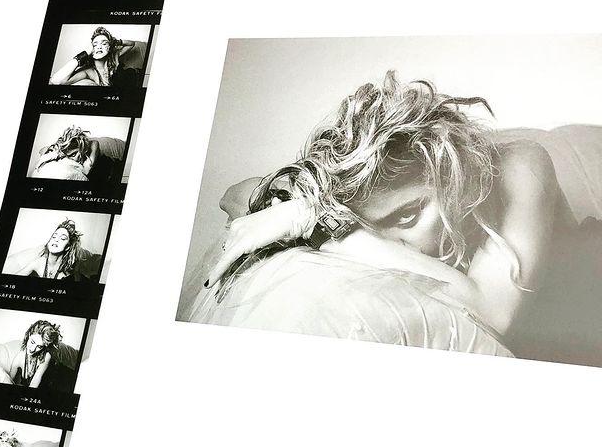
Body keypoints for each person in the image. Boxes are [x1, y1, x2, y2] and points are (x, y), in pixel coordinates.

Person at [188, 70, 602, 364]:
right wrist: (306, 205)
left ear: (453, 173)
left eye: (408, 216)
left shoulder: (522, 163)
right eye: (375, 226)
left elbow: (493, 312)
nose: (398, 247)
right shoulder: (377, 192)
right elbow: (235, 194)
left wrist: (320, 225)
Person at [4, 219, 101, 281]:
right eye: (54, 236)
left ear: (68, 247)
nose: (56, 240)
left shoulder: (70, 272)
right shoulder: (38, 262)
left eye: (63, 238)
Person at [50, 26, 140, 88]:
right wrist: (84, 54)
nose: (99, 47)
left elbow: (132, 44)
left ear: (109, 47)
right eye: (95, 45)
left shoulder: (114, 56)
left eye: (104, 43)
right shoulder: (89, 71)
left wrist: (115, 42)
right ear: (91, 50)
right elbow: (55, 81)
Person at [31, 125, 126, 182]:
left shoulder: (92, 147)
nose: (73, 159)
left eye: (74, 154)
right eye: (70, 155)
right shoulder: (60, 150)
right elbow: (42, 150)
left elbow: (86, 170)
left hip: (114, 163)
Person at [9, 320, 62, 388]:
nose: (33, 349)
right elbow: (9, 381)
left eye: (39, 346)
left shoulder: (47, 356)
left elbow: (35, 383)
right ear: (29, 335)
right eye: (32, 342)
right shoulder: (20, 357)